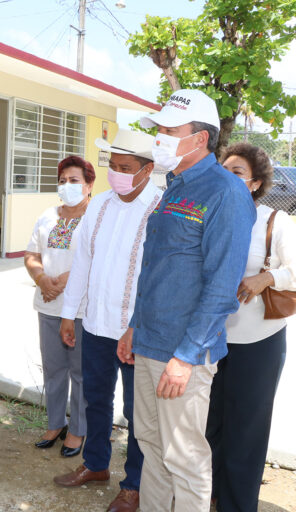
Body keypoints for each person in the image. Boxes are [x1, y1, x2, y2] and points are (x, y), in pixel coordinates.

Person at [117, 89, 256, 511]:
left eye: (168, 130)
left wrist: (187, 356)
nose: (158, 136)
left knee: (185, 457)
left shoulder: (225, 192)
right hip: (149, 343)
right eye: (158, 129)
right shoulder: (174, 185)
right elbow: (158, 268)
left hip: (182, 354)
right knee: (152, 446)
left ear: (200, 138)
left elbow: (221, 287)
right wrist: (135, 325)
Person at [53, 130, 159, 512]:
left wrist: (136, 325)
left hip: (136, 332)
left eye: (126, 168)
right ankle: (96, 464)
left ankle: (134, 484)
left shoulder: (159, 209)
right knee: (95, 399)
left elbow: (158, 276)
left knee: (137, 412)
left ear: (147, 170)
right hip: (95, 324)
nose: (118, 174)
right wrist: (70, 313)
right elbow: (82, 262)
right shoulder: (98, 205)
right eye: (112, 167)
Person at [206, 142, 296, 511]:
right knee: (209, 424)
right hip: (211, 336)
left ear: (256, 183)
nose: (228, 178)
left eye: (237, 173)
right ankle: (207, 492)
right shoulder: (209, 216)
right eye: (223, 171)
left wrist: (267, 278)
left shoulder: (275, 220)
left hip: (258, 340)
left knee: (246, 428)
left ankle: (237, 504)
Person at [24, 155, 95, 457]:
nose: (67, 185)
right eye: (63, 180)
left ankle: (78, 430)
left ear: (89, 184)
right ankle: (55, 424)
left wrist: (62, 282)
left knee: (80, 372)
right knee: (54, 370)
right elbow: (31, 254)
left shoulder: (96, 217)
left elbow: (96, 260)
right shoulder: (47, 216)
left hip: (81, 309)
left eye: (74, 180)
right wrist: (42, 279)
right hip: (48, 305)